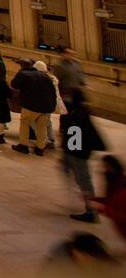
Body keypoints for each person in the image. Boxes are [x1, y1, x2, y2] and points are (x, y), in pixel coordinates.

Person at [62, 88, 106, 223]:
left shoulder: (76, 114)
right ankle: (91, 207)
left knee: (84, 181)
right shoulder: (83, 112)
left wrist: (70, 152)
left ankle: (91, 211)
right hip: (80, 152)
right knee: (83, 180)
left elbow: (73, 134)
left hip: (78, 153)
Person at [11, 57, 56, 156]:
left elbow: (14, 85)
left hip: (31, 105)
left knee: (25, 124)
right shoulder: (46, 76)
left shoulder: (23, 74)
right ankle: (40, 148)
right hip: (46, 106)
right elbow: (53, 92)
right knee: (41, 127)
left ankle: (23, 146)